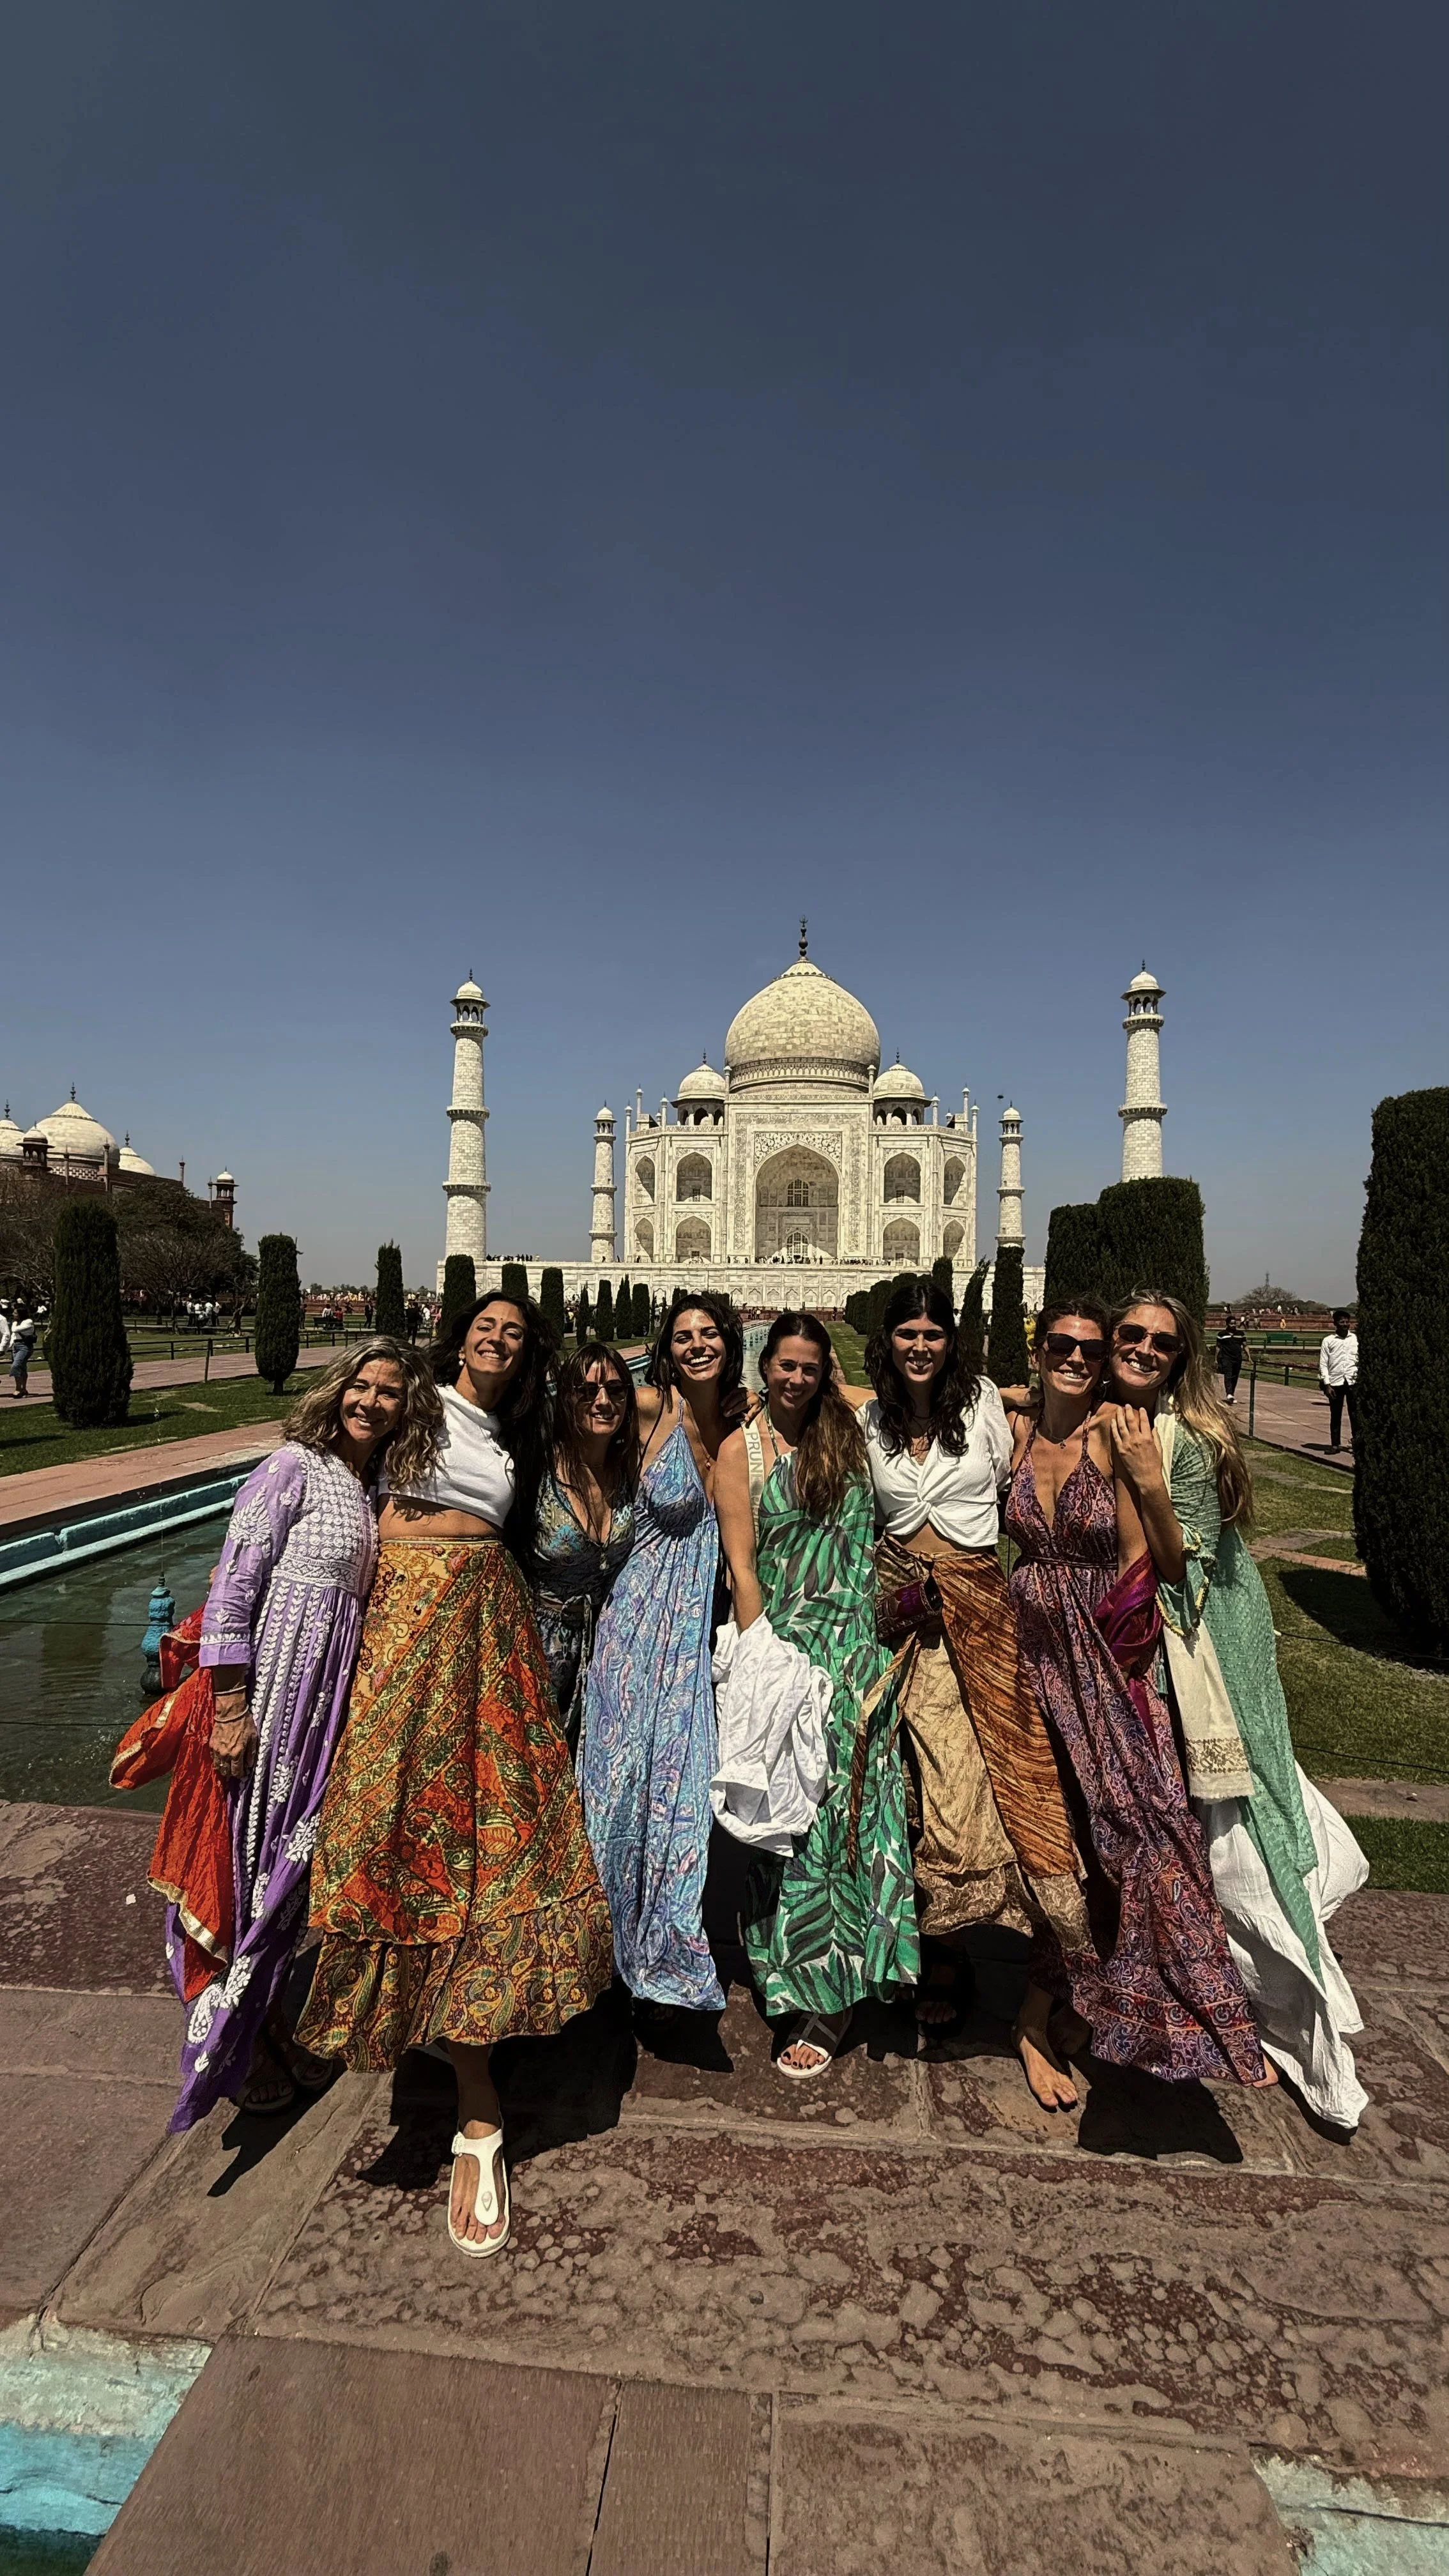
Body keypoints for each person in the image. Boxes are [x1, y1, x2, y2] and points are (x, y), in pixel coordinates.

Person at [298, 1292, 614, 2259]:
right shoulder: (416, 1400)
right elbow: (330, 1441)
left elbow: (630, 1414)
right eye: (488, 1323)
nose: (499, 1337)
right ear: (462, 1331)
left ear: (528, 1355)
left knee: (491, 1836)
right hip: (398, 1620)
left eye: (517, 1332)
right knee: (373, 1826)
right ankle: (315, 2019)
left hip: (487, 1625)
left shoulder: (522, 1434)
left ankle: (477, 2093)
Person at [1106, 1292, 1367, 2128]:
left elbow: (1194, 1558)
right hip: (1155, 1636)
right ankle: (1197, 1986)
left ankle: (1301, 2024)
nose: (1143, 1349)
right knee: (1182, 1829)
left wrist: (1147, 1479)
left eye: (1160, 1342)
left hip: (1201, 1638)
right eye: (1130, 1335)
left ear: (1182, 1357)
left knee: (1234, 1831)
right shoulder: (1114, 1417)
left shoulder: (1188, 1436)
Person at [169, 1338, 439, 2127]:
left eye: (391, 1393)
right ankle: (229, 2047)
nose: (373, 1403)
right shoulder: (294, 1467)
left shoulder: (371, 1483)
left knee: (290, 1868)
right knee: (240, 1859)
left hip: (324, 1702)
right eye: (364, 1387)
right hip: (272, 1694)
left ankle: (268, 2022)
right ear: (339, 1389)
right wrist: (228, 1707)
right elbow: (232, 1588)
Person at [836, 1278, 1091, 2107]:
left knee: (987, 1783)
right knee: (882, 1779)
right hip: (893, 1604)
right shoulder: (869, 1414)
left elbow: (1057, 1426)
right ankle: (904, 1956)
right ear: (888, 1340)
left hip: (976, 1605)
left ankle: (1027, 1988)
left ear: (952, 1341)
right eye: (905, 1332)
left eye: (932, 1333)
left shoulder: (987, 1405)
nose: (918, 1345)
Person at [1006, 1301, 1268, 2088]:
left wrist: (1121, 1685)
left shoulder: (1122, 1439)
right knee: (1057, 1838)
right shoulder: (1016, 1432)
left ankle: (1191, 2014)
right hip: (1030, 1661)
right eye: (1062, 1346)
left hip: (1100, 1665)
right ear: (1039, 1349)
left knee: (1141, 1827)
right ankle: (1040, 2012)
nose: (1078, 1359)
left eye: (1090, 1348)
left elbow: (1144, 1568)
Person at [714, 1312, 918, 2078]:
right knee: (790, 1827)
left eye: (810, 1367)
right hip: (791, 1662)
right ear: (764, 1368)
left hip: (858, 1658)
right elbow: (744, 1571)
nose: (795, 1378)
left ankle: (840, 1993)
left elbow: (916, 1399)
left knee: (857, 1820)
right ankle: (801, 1979)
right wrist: (769, 1673)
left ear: (826, 1372)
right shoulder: (745, 1451)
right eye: (785, 1365)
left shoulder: (855, 1433)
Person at [581, 1290, 755, 2019]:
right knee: (616, 1782)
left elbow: (844, 1388)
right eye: (682, 1335)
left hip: (696, 1629)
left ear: (729, 1341)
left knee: (681, 1793)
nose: (695, 1345)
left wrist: (993, 1388)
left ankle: (664, 1951)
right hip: (637, 1619)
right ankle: (591, 1948)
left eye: (708, 1333)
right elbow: (569, 1408)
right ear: (666, 1347)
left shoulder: (746, 1415)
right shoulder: (651, 1407)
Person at [532, 1341, 638, 1753]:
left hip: (605, 1650)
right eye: (586, 1391)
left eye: (615, 1390)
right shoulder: (535, 1468)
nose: (602, 1401)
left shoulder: (632, 1467)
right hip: (538, 1646)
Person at [1319, 1310, 1358, 1452]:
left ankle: (1357, 1443)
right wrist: (1327, 1384)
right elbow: (1323, 1364)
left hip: (1353, 1382)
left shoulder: (1355, 1339)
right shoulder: (1328, 1341)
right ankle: (1335, 1444)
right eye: (1342, 1322)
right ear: (1335, 1324)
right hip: (1336, 1382)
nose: (1345, 1325)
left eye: (1347, 1322)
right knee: (1336, 1415)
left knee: (1355, 1415)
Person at [1215, 1310, 1247, 1403]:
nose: (1234, 1325)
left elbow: (1245, 1345)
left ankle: (1231, 1394)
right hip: (1226, 1358)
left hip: (1237, 1358)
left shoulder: (1240, 1334)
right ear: (1227, 1324)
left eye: (1235, 1324)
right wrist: (1216, 1359)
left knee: (1235, 1376)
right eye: (1231, 1324)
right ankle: (1229, 1393)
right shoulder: (1222, 1334)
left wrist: (1249, 1357)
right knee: (1228, 1375)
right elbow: (1218, 1347)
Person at [8, 1308, 36, 1399]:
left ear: (20, 1314)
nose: (13, 1314)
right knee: (22, 1367)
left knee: (16, 1366)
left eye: (15, 1313)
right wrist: (9, 1346)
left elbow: (14, 1330)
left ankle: (18, 1389)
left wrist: (14, 1323)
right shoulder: (16, 1322)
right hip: (16, 1346)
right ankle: (24, 1389)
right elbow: (14, 1336)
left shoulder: (28, 1322)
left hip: (25, 1346)